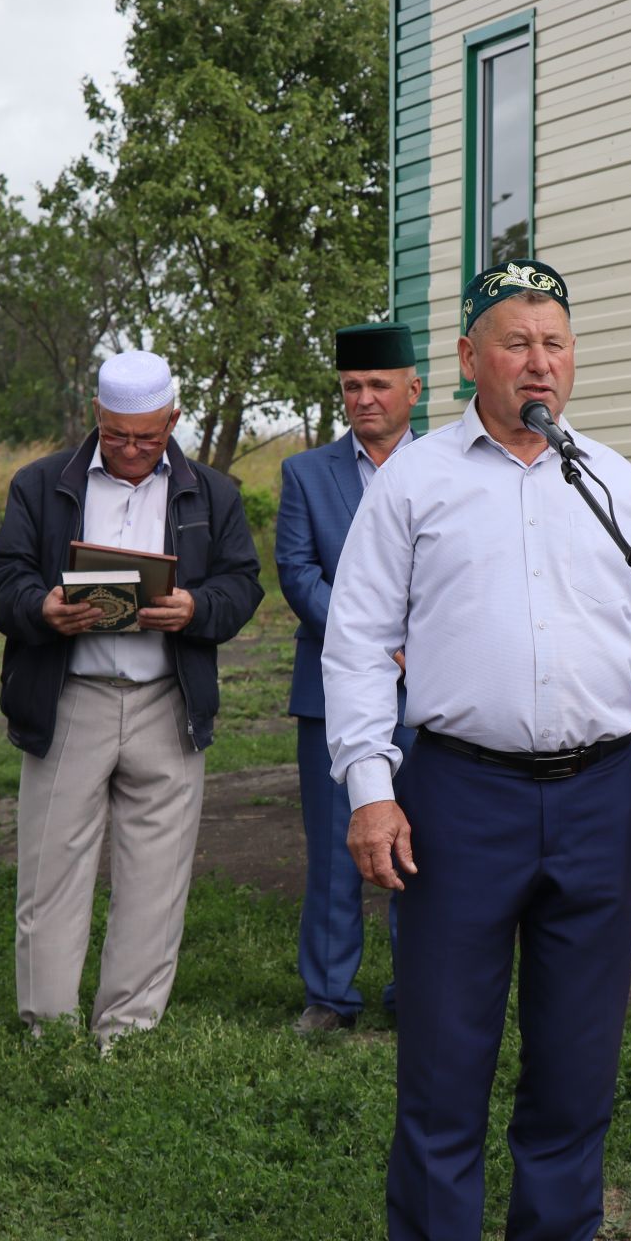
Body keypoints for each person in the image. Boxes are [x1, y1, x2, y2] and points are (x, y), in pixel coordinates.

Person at [323, 260, 631, 1240]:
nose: (538, 363)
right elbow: (357, 640)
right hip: (459, 798)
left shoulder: (616, 484)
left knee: (576, 1066)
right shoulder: (416, 480)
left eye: (555, 343)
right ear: (470, 359)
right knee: (443, 1067)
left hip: (599, 797)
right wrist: (371, 788)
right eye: (517, 342)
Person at [0, 350, 263, 1049]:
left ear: (173, 419)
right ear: (94, 418)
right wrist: (42, 607)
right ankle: (47, 1026)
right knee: (51, 872)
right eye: (117, 435)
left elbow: (243, 584)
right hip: (72, 696)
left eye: (148, 436)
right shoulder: (42, 485)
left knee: (157, 876)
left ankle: (127, 1032)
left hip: (168, 700)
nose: (133, 450)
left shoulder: (213, 493)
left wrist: (196, 607)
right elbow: (0, 574)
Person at [276, 322, 422, 1034]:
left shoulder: (450, 468)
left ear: (412, 390)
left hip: (433, 691)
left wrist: (418, 645)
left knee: (425, 843)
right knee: (338, 844)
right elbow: (298, 573)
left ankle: (417, 988)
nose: (365, 399)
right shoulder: (307, 474)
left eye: (378, 385)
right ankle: (330, 997)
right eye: (352, 388)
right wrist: (373, 640)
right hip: (333, 691)